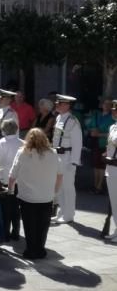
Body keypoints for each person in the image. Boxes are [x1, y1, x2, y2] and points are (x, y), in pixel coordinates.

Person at [9, 128, 63, 258]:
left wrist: (10, 190)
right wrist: (55, 191)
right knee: (43, 225)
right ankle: (40, 249)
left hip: (27, 196)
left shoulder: (22, 153)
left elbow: (12, 174)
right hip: (46, 196)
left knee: (29, 224)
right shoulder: (53, 153)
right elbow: (60, 175)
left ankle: (31, 250)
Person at [52, 94, 83, 224]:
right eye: (57, 103)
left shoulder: (73, 121)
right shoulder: (59, 118)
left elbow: (77, 142)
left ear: (67, 105)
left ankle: (69, 215)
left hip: (68, 157)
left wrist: (74, 161)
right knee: (59, 186)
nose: (57, 105)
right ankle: (61, 212)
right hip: (58, 155)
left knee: (68, 187)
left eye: (60, 103)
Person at [0, 119, 24, 241]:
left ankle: (5, 232)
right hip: (19, 180)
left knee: (6, 208)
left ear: (3, 130)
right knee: (16, 208)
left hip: (5, 179)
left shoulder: (1, 143)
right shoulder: (22, 142)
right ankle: (15, 232)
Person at [87, 98, 114, 194]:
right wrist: (92, 130)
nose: (106, 106)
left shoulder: (112, 117)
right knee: (95, 165)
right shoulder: (96, 115)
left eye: (109, 104)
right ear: (102, 105)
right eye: (105, 104)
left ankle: (99, 187)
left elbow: (112, 133)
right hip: (95, 142)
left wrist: (99, 134)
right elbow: (89, 126)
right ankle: (95, 185)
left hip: (104, 143)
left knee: (102, 165)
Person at [105, 101, 117, 241]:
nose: (113, 112)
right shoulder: (113, 127)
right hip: (111, 167)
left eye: (115, 110)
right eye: (113, 110)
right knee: (114, 201)